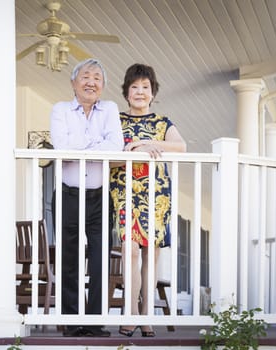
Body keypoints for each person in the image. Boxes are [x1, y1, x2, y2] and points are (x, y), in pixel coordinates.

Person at [109, 63, 186, 337]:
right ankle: (129, 312)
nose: (140, 92)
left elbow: (181, 146)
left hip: (156, 194)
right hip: (125, 191)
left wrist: (147, 144)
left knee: (150, 256)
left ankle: (146, 316)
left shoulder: (163, 123)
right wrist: (136, 146)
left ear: (153, 92)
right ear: (126, 92)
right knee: (129, 250)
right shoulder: (115, 120)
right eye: (134, 87)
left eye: (145, 87)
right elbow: (108, 150)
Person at [50, 58, 124, 337]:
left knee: (99, 259)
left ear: (102, 86)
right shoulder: (60, 110)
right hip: (68, 195)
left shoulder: (111, 109)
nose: (91, 82)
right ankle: (71, 323)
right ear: (73, 83)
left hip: (98, 197)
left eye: (97, 78)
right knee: (68, 259)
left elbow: (115, 148)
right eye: (85, 77)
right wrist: (96, 144)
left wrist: (80, 142)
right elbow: (62, 148)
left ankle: (93, 323)